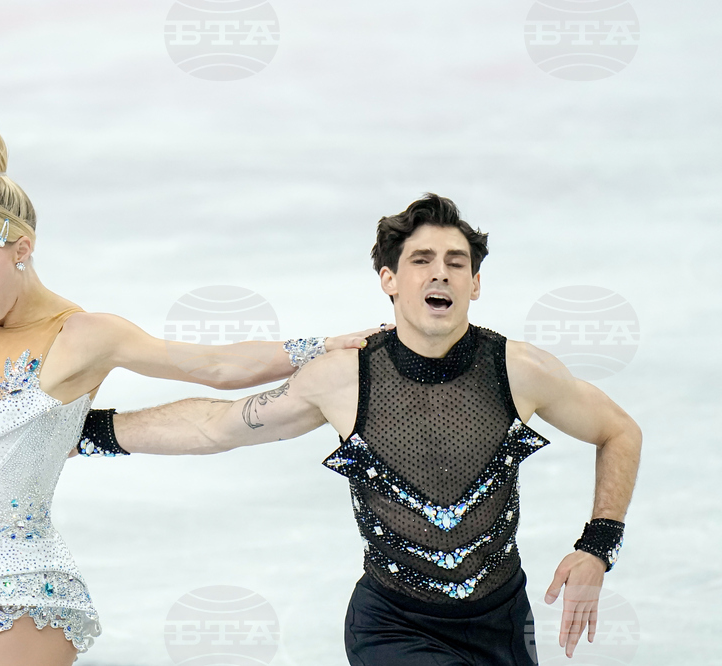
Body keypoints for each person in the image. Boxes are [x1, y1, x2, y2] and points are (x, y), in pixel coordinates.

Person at [0, 50, 375, 666]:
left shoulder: (82, 337)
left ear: (21, 249)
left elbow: (211, 367)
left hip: (27, 588)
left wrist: (317, 347)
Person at [75, 193, 642, 665]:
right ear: (389, 279)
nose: (440, 271)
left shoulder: (519, 371)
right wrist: (88, 430)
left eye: (456, 261)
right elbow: (218, 426)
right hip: (392, 627)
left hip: (503, 623)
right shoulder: (344, 378)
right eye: (421, 260)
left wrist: (598, 546)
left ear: (475, 283)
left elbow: (619, 431)